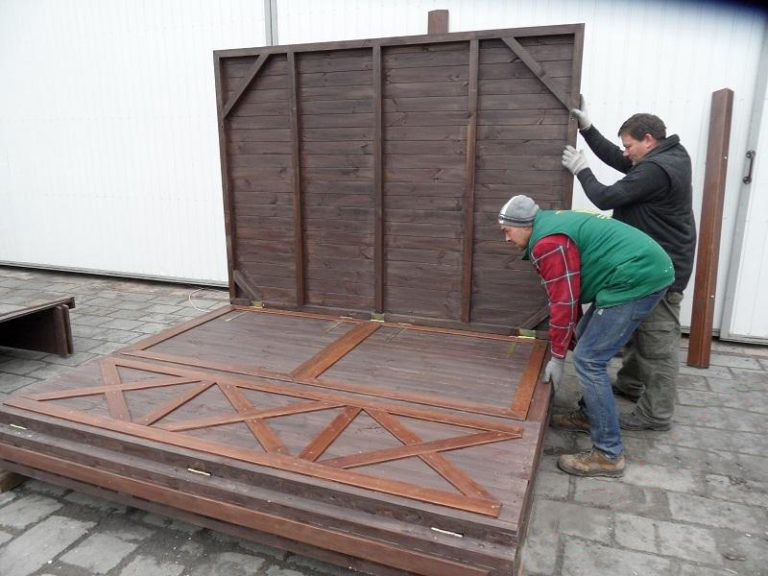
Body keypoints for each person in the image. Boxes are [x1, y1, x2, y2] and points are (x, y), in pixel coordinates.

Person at [498, 195, 673, 477]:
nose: (506, 238)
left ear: (524, 225)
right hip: (636, 269)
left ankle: (608, 454)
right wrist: (569, 340)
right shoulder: (549, 225)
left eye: (507, 230)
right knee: (585, 343)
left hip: (636, 276)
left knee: (589, 360)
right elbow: (571, 295)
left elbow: (563, 301)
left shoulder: (548, 243)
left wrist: (558, 357)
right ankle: (590, 414)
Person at [560, 99, 696, 432]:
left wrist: (582, 171)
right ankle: (631, 385)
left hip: (660, 269)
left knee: (657, 344)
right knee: (638, 330)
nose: (625, 152)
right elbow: (619, 160)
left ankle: (656, 415)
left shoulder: (657, 169)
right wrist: (588, 130)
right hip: (648, 264)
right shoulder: (666, 156)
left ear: (648, 140)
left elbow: (606, 197)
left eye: (629, 145)